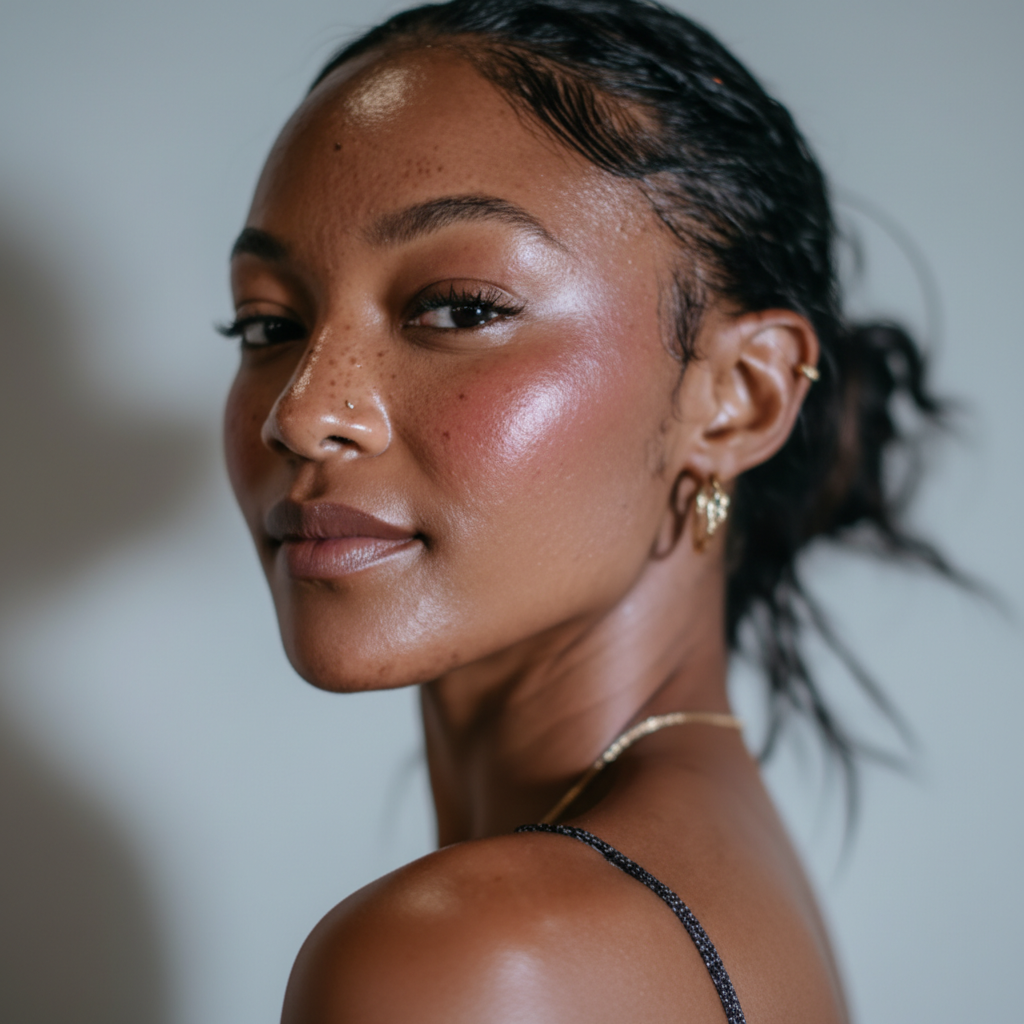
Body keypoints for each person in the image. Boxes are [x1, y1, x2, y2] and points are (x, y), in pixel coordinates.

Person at [221, 1, 948, 1019]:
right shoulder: (713, 861)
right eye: (268, 323)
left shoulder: (471, 957)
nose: (303, 414)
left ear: (738, 396)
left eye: (460, 309)